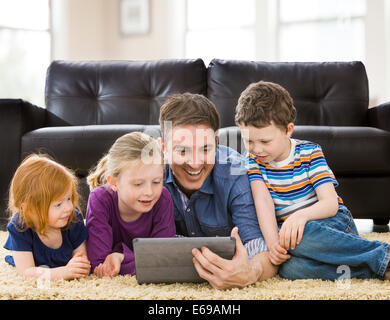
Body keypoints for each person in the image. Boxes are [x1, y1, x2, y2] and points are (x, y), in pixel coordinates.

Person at [235, 80, 390, 280]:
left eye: (265, 141)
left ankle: (383, 255)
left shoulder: (309, 152)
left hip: (332, 223)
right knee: (290, 268)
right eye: (248, 141)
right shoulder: (252, 161)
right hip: (292, 233)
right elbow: (262, 202)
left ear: (288, 130)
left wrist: (300, 217)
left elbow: (330, 204)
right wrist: (273, 244)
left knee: (300, 236)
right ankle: (373, 269)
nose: (256, 149)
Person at [158, 93, 277, 290]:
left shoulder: (236, 173)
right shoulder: (150, 177)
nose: (195, 163)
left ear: (217, 143)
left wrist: (251, 272)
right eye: (182, 151)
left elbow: (261, 249)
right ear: (163, 147)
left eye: (205, 149)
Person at [86, 132, 176, 277]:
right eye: (138, 184)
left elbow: (163, 259)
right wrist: (144, 261)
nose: (149, 192)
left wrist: (121, 257)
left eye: (156, 182)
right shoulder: (100, 199)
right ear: (114, 183)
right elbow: (98, 264)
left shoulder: (163, 198)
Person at [3, 154, 90, 281]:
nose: (68, 207)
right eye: (58, 204)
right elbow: (26, 272)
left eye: (69, 198)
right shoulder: (20, 227)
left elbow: (81, 259)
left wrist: (79, 264)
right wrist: (63, 272)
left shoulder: (73, 219)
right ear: (30, 209)